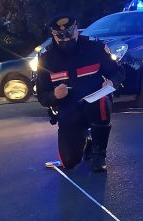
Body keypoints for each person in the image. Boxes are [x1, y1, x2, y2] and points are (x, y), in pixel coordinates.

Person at [36, 14, 126, 172]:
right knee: (69, 162)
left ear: (77, 30)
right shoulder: (46, 58)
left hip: (94, 102)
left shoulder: (94, 48)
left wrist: (112, 82)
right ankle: (87, 140)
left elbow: (118, 71)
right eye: (61, 37)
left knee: (102, 101)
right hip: (68, 109)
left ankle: (99, 153)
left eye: (69, 35)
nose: (65, 40)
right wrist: (54, 95)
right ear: (54, 36)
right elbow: (42, 96)